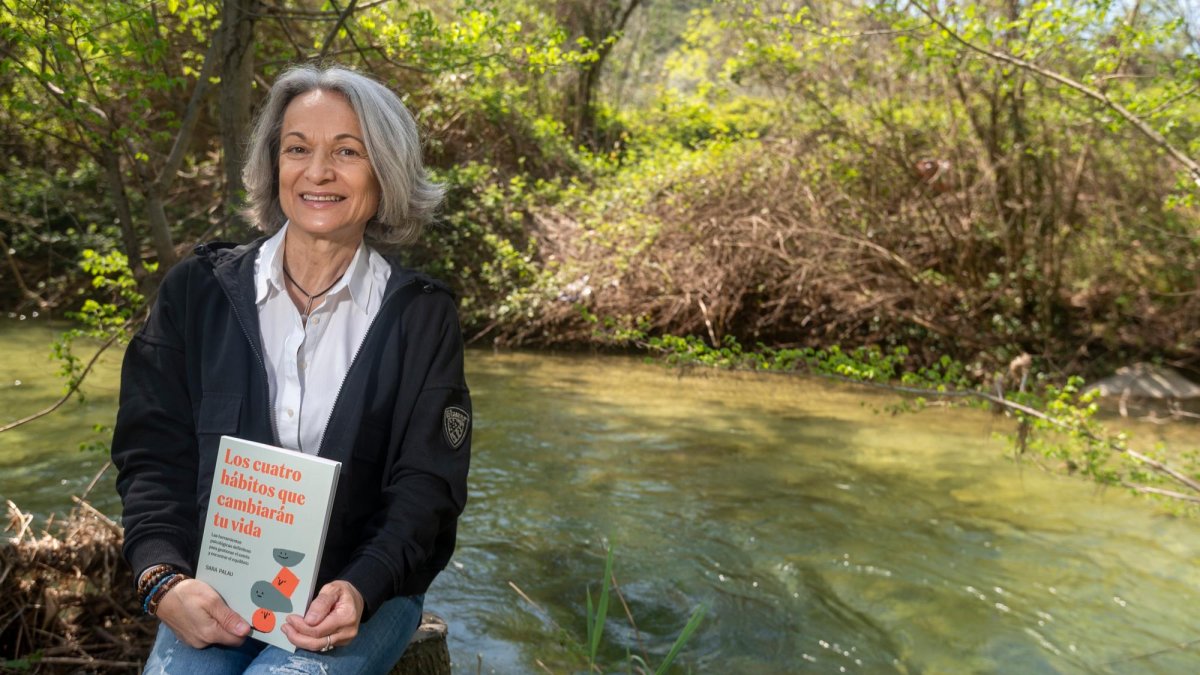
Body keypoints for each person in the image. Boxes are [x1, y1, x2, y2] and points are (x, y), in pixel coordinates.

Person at [110, 63, 471, 674]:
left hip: (361, 595)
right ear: (274, 164)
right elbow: (151, 451)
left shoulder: (422, 317)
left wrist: (362, 585)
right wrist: (162, 575)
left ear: (385, 171)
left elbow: (426, 488)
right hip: (218, 589)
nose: (318, 172)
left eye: (347, 151)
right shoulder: (196, 292)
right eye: (297, 148)